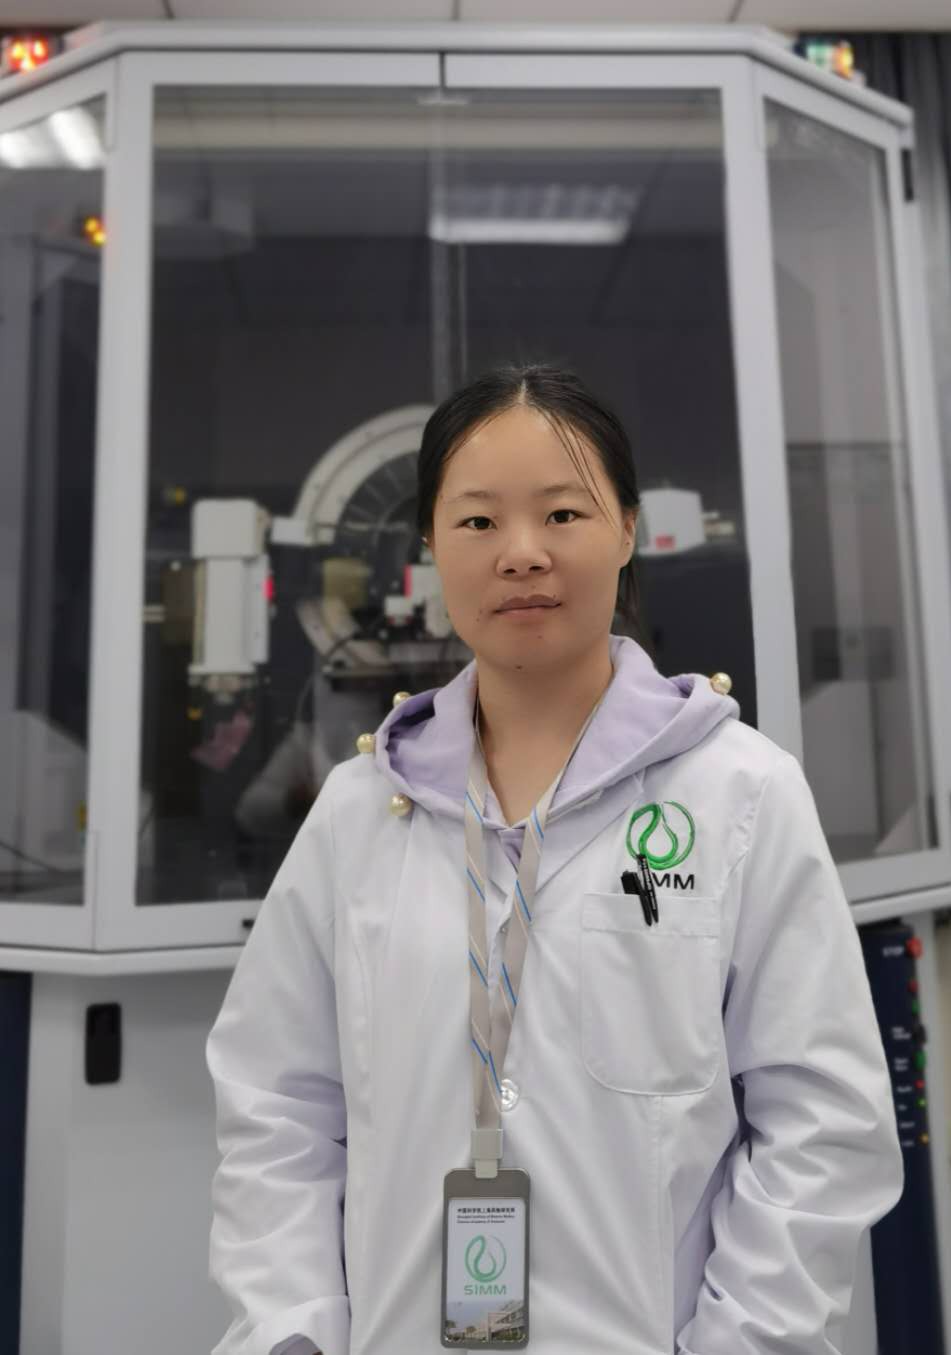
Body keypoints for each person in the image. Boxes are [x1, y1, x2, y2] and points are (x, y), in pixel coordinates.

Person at [206, 363, 902, 1355]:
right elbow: (275, 1106)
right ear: (433, 545)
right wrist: (291, 1333)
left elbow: (819, 1124)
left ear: (626, 530)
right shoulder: (359, 814)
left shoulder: (738, 793)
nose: (521, 552)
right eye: (478, 520)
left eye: (563, 513)